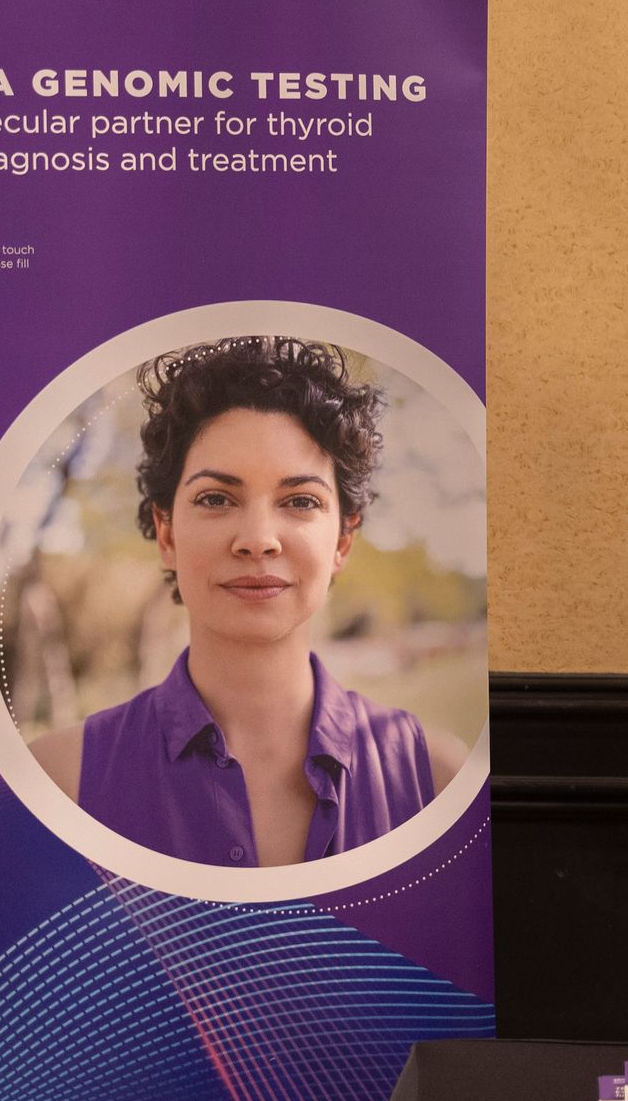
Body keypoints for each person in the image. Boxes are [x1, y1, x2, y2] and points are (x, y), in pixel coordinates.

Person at [30, 336, 442, 867]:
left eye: (300, 501)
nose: (258, 539)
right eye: (216, 498)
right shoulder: (57, 781)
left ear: (342, 540)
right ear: (166, 532)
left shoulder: (436, 777)